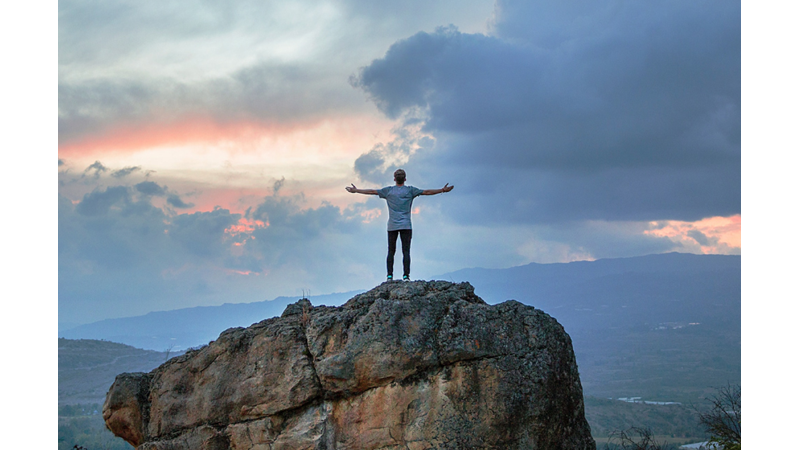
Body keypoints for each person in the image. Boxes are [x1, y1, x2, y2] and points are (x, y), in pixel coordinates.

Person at [346, 169, 454, 282]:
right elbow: (427, 192)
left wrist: (356, 190)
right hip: (406, 225)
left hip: (392, 226)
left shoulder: (388, 191)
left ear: (394, 179)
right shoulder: (410, 191)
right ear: (405, 179)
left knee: (391, 251)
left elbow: (372, 191)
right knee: (406, 251)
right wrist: (442, 190)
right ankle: (406, 276)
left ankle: (389, 276)